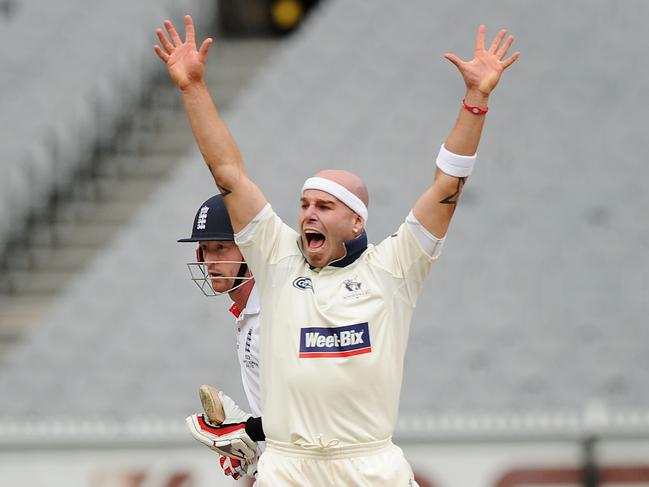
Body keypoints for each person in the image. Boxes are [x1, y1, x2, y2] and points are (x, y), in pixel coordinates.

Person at [156, 15, 519, 486]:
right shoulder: (278, 257)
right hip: (289, 467)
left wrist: (476, 101)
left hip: (370, 467)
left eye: (324, 206)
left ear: (355, 221)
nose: (308, 214)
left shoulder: (394, 267)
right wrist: (193, 88)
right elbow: (228, 173)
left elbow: (447, 187)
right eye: (304, 204)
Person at [178, 193, 262, 480]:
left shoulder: (274, 313)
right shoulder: (248, 311)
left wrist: (246, 431)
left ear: (249, 249)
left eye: (222, 248)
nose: (211, 261)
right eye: (205, 249)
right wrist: (253, 448)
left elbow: (310, 409)